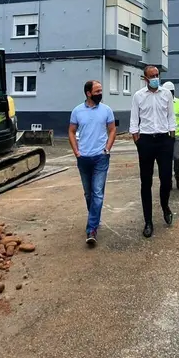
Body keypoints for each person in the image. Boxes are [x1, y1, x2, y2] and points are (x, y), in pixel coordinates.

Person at [129, 65, 176, 237]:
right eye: (152, 75)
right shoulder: (138, 96)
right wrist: (138, 142)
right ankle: (148, 221)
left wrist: (171, 138)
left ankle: (165, 206)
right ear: (145, 78)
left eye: (157, 75)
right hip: (146, 140)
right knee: (146, 182)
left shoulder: (166, 95)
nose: (156, 78)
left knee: (166, 179)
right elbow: (134, 120)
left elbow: (171, 117)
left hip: (164, 140)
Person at [69, 80, 116, 247]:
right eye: (97, 91)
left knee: (97, 192)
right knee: (89, 194)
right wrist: (77, 152)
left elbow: (112, 130)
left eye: (101, 90)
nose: (100, 93)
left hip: (101, 157)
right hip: (83, 158)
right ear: (88, 93)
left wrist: (107, 149)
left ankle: (91, 229)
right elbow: (72, 131)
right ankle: (95, 218)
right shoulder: (77, 111)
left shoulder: (106, 110)